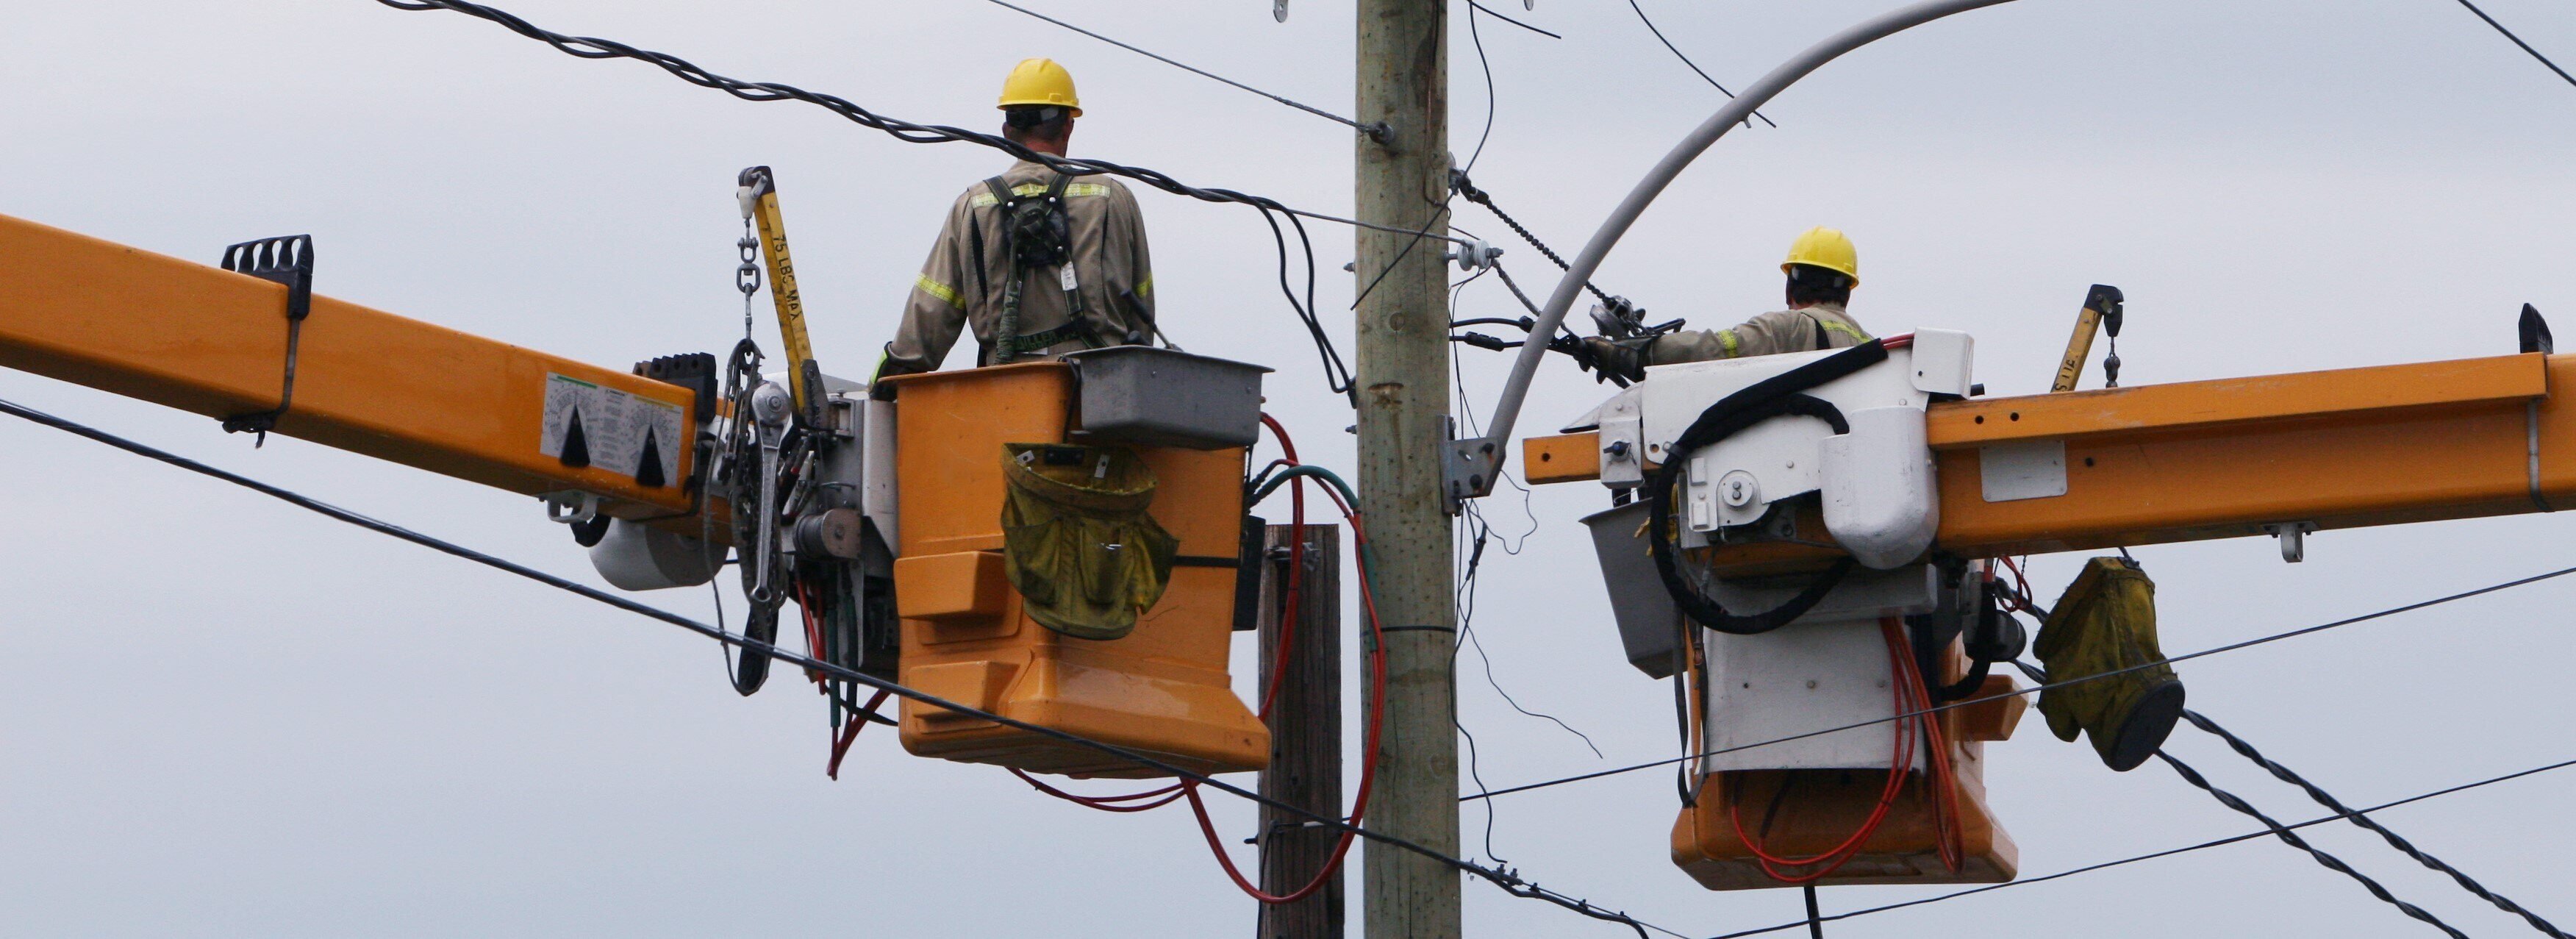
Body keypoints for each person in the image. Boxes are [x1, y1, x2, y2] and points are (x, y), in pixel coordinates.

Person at [875, 58, 1157, 380]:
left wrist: (883, 381)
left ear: (1007, 131)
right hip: (1101, 391)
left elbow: (926, 326)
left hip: (1007, 394)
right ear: (1069, 124)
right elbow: (1140, 308)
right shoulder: (1111, 197)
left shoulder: (974, 205)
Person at [1584, 226, 1870, 382]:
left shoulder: (1790, 328)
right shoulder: (1870, 347)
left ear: (1792, 284)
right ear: (1848, 290)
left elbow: (1717, 349)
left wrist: (1632, 353)